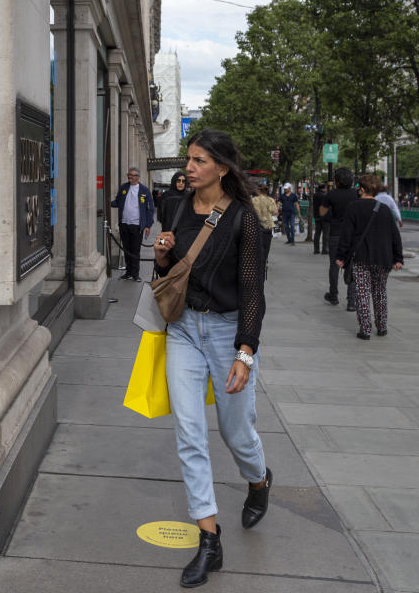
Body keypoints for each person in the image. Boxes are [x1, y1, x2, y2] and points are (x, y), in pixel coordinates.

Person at [153, 128, 269, 588]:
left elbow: (253, 294)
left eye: (199, 160)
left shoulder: (244, 219)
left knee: (235, 431)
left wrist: (245, 352)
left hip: (226, 333)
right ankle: (209, 540)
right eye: (189, 159)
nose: (190, 167)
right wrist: (163, 257)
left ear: (222, 168)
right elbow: (171, 273)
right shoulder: (178, 206)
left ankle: (258, 480)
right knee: (189, 433)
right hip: (182, 329)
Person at [336, 174, 404, 340]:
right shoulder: (385, 209)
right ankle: (382, 326)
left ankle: (365, 329)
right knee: (380, 291)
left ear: (362, 189)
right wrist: (398, 258)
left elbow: (346, 235)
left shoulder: (353, 207)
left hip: (361, 257)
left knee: (362, 292)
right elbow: (395, 236)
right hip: (383, 258)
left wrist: (341, 256)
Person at [321, 167, 360, 310]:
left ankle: (333, 294)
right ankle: (351, 301)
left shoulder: (331, 194)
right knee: (352, 266)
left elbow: (322, 212)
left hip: (336, 233)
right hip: (352, 236)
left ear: (336, 180)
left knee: (334, 265)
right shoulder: (356, 194)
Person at [112, 167, 155, 282]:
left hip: (137, 225)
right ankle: (128, 272)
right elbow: (117, 201)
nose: (130, 177)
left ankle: (135, 274)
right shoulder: (124, 188)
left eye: (132, 175)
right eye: (128, 175)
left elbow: (150, 209)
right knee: (126, 249)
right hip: (124, 224)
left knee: (135, 250)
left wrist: (147, 225)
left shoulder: (144, 190)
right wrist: (108, 202)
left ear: (137, 177)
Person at [252, 184, 277, 266]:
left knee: (256, 245)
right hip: (268, 226)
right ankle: (264, 261)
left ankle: (257, 261)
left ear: (259, 190)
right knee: (266, 246)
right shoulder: (271, 200)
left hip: (256, 225)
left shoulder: (253, 200)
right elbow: (275, 212)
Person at [312, 183, 329, 254]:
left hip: (317, 216)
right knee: (325, 233)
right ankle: (324, 249)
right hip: (324, 216)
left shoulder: (315, 195)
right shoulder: (325, 196)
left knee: (317, 233)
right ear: (324, 188)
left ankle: (316, 249)